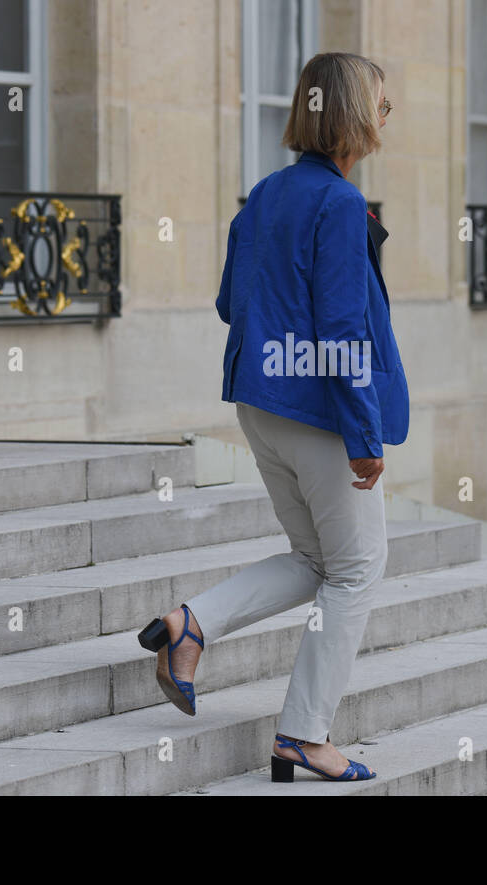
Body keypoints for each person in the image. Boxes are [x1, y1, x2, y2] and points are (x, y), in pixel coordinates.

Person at [137, 52, 409, 783]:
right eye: (381, 105)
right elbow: (344, 329)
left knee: (315, 561)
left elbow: (232, 303)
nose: (388, 117)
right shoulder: (343, 204)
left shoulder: (264, 193)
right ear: (352, 114)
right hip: (320, 411)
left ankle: (190, 624)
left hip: (262, 404)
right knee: (357, 568)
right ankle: (303, 734)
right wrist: (363, 432)